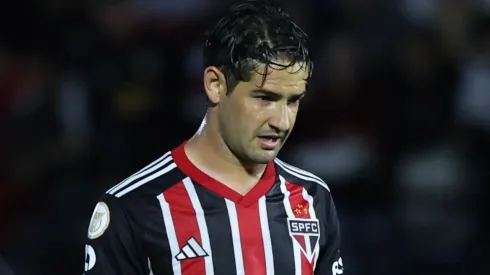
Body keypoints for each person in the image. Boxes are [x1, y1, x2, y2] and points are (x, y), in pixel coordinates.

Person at [83, 0, 343, 274]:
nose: (282, 121)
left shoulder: (312, 199)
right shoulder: (133, 208)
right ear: (215, 85)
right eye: (265, 98)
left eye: (293, 101)